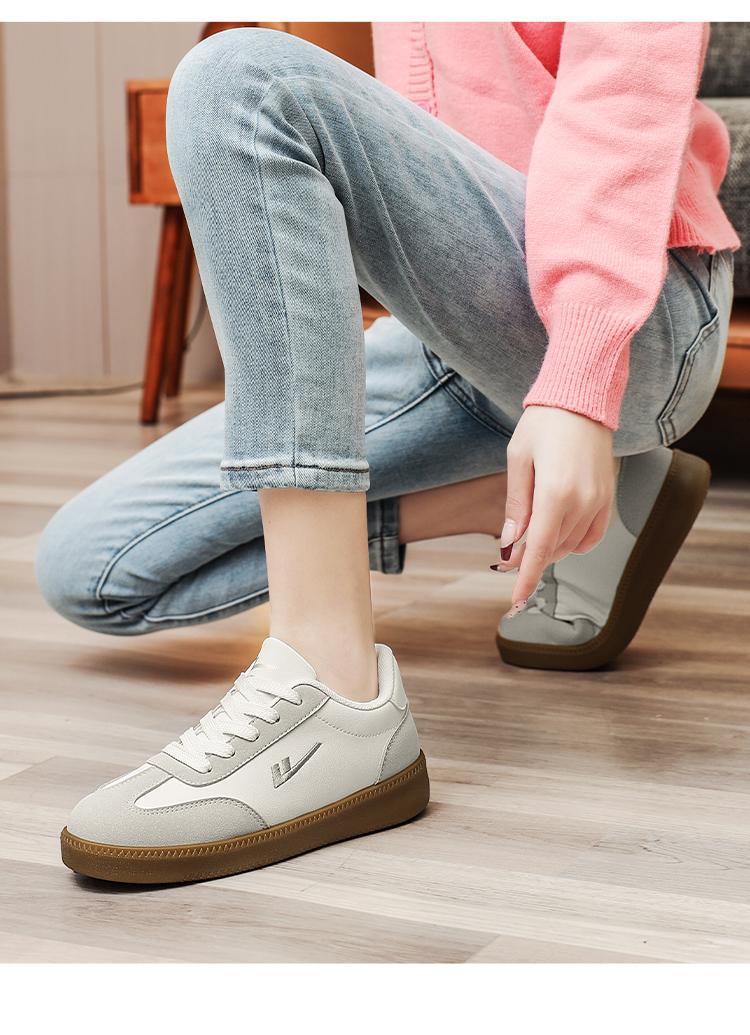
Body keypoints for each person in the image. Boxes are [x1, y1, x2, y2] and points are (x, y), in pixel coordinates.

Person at [42, 23, 738, 883]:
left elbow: (625, 88)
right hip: (453, 330)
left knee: (241, 81)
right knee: (90, 569)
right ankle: (526, 498)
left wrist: (578, 382)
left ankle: (332, 688)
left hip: (635, 314)